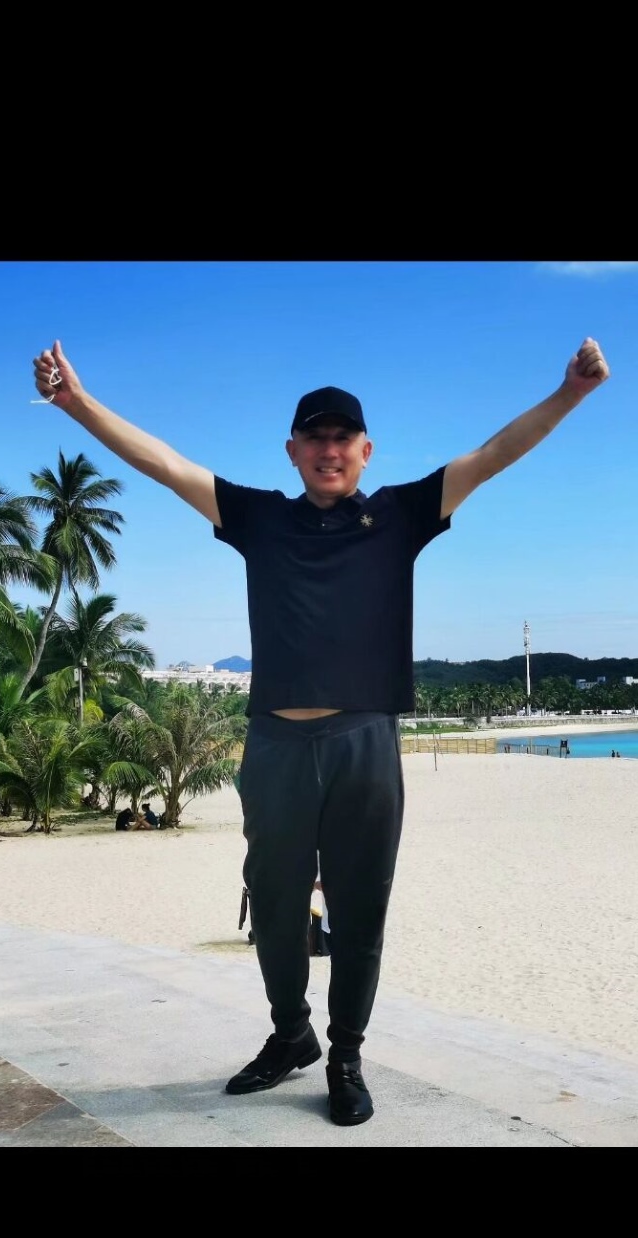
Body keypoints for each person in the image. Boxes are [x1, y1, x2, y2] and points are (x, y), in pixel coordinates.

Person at [32, 335, 610, 1127]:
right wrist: (75, 402)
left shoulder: (401, 514)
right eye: (316, 437)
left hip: (365, 741)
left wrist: (570, 392)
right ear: (293, 450)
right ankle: (291, 1033)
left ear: (366, 450)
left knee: (360, 908)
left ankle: (345, 1054)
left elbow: (494, 453)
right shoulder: (260, 517)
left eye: (344, 437)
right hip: (275, 744)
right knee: (274, 906)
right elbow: (164, 463)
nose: (330, 449)